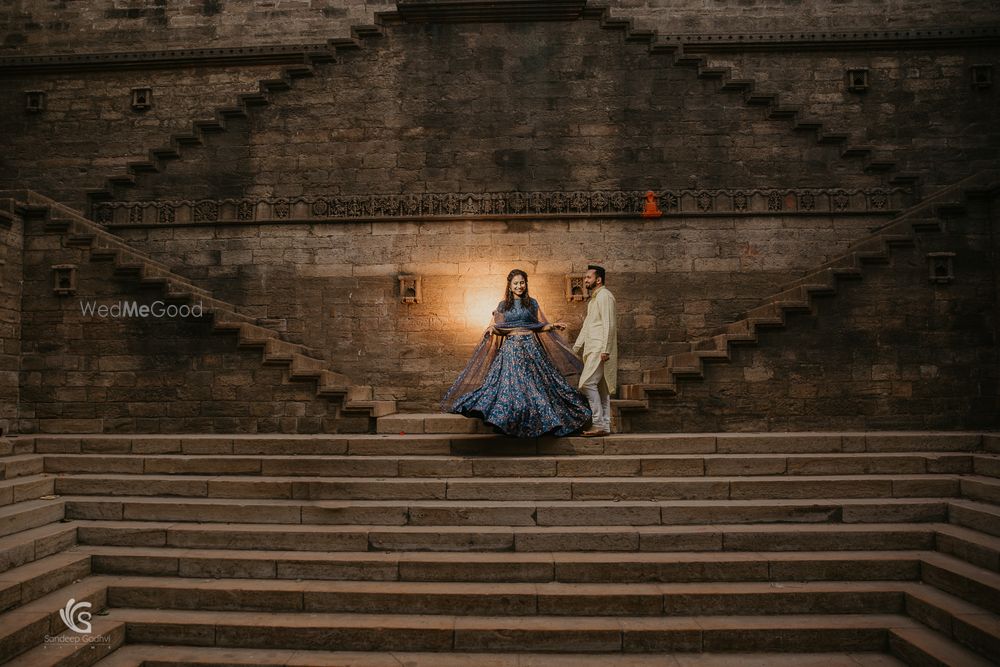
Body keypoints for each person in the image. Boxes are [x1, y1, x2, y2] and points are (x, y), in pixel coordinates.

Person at [442, 269, 592, 438]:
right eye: (516, 283)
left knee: (537, 388)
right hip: (511, 351)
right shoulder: (503, 306)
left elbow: (537, 326)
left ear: (526, 284)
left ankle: (539, 425)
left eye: (522, 283)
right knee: (511, 389)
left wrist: (552, 326)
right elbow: (501, 330)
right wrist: (492, 329)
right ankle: (509, 425)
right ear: (510, 286)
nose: (519, 286)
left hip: (531, 350)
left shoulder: (532, 303)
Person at [574, 264, 618, 436]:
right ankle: (605, 426)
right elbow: (587, 326)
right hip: (594, 348)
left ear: (598, 280)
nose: (585, 280)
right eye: (585, 278)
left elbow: (609, 323)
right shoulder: (594, 299)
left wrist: (606, 349)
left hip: (600, 348)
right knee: (601, 388)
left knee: (586, 383)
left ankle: (598, 423)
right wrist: (576, 348)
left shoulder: (605, 296)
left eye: (588, 278)